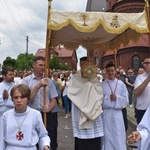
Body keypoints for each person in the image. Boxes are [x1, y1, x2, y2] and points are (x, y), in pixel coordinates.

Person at [22, 56, 58, 150]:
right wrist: (39, 85)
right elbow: (27, 99)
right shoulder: (26, 81)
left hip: (47, 114)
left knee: (50, 138)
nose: (43, 67)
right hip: (32, 114)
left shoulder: (49, 81)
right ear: (34, 65)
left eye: (44, 65)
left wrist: (49, 107)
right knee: (33, 137)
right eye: (40, 65)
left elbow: (54, 99)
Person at [68, 57, 103, 150]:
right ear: (80, 65)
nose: (84, 66)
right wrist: (88, 88)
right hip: (80, 110)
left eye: (86, 64)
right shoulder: (75, 77)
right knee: (81, 141)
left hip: (93, 110)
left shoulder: (94, 76)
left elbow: (99, 91)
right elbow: (71, 92)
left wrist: (88, 87)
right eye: (82, 64)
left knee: (94, 139)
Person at [1, 84, 50, 150]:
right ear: (12, 99)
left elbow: (43, 135)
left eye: (22, 97)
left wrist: (45, 145)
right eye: (16, 97)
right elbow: (1, 139)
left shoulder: (35, 114)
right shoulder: (6, 116)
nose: (19, 100)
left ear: (28, 98)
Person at [102, 63, 129, 150]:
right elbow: (99, 100)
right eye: (108, 71)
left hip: (118, 114)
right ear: (106, 72)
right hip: (106, 115)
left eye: (112, 70)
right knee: (107, 136)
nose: (110, 73)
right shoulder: (102, 85)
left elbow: (126, 100)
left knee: (118, 135)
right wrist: (108, 99)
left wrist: (116, 98)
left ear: (115, 71)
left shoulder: (121, 84)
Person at [134, 57, 150, 124]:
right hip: (143, 110)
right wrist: (148, 79)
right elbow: (137, 93)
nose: (144, 65)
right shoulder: (140, 77)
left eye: (147, 63)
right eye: (144, 63)